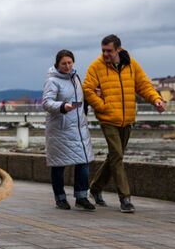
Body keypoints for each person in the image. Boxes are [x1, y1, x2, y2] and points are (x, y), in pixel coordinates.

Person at [83, 34, 166, 213]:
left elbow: (144, 85)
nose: (105, 54)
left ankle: (95, 188)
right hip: (108, 119)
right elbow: (88, 89)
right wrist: (102, 106)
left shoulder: (131, 65)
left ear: (118, 50)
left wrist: (156, 100)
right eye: (103, 50)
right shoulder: (96, 67)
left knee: (114, 156)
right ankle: (125, 198)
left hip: (127, 119)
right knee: (118, 156)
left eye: (109, 51)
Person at [42, 50, 96, 211]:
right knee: (59, 165)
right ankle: (60, 198)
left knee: (83, 162)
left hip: (78, 128)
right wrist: (62, 106)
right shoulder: (52, 81)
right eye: (64, 63)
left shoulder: (76, 78)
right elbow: (46, 103)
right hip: (61, 129)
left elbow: (80, 98)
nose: (67, 66)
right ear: (57, 64)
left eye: (70, 63)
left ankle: (81, 197)